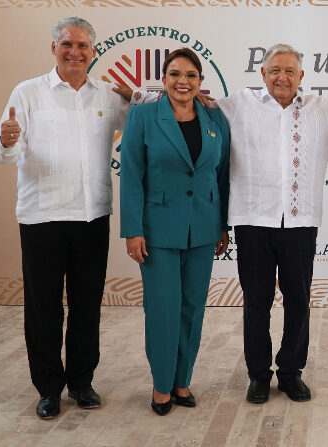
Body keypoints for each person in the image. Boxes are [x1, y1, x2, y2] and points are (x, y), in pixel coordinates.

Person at [0, 16, 136, 419]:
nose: (75, 51)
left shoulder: (107, 95)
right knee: (44, 306)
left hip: (92, 215)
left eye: (83, 45)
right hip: (42, 217)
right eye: (67, 44)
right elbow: (1, 149)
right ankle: (49, 388)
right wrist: (5, 140)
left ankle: (82, 382)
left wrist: (136, 93)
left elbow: (148, 116)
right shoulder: (29, 92)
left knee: (88, 304)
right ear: (53, 48)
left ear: (92, 51)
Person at [213, 44, 328, 404]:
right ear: (263, 74)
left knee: (299, 300)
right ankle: (258, 375)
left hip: (301, 221)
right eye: (274, 71)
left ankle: (290, 372)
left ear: (301, 76)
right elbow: (192, 102)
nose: (282, 77)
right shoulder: (239, 104)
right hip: (253, 221)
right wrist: (137, 96)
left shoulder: (324, 110)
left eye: (289, 71)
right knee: (256, 301)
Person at [119, 48, 230, 416]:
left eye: (191, 75)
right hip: (157, 231)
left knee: (192, 309)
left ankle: (183, 380)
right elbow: (132, 175)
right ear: (163, 79)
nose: (183, 81)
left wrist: (221, 227)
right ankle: (162, 385)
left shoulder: (216, 118)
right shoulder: (143, 116)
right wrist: (133, 230)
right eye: (175, 74)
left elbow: (222, 175)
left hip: (203, 229)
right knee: (163, 309)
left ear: (200, 81)